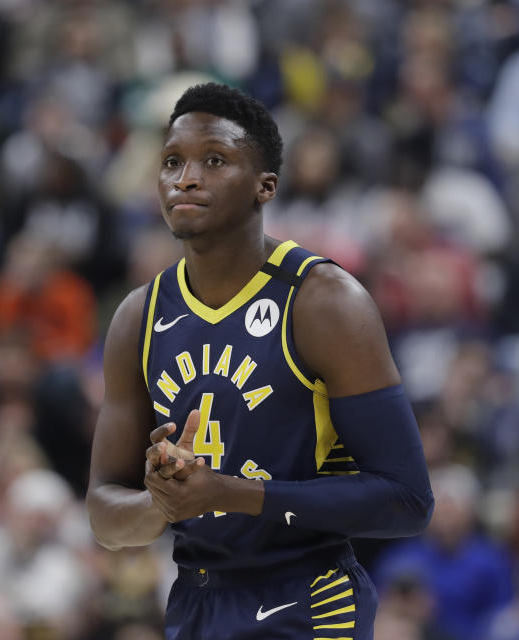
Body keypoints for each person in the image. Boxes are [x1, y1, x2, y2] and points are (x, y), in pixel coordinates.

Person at [86, 83, 434, 639]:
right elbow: (105, 515)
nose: (186, 178)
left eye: (214, 160)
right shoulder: (138, 317)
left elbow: (407, 500)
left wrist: (228, 493)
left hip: (306, 596)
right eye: (172, 162)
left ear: (264, 187)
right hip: (195, 602)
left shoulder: (324, 302)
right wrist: (164, 501)